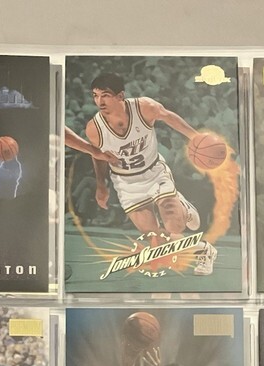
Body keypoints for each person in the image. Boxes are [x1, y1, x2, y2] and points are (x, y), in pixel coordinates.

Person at [84, 72, 218, 276]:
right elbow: (98, 156)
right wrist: (101, 186)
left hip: (154, 173)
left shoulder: (144, 107)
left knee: (175, 225)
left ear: (120, 96)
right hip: (126, 183)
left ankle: (182, 208)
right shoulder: (94, 129)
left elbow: (169, 117)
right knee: (159, 243)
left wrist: (196, 137)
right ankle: (205, 249)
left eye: (105, 95)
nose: (99, 101)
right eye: (95, 96)